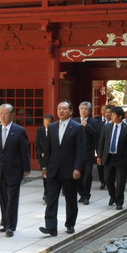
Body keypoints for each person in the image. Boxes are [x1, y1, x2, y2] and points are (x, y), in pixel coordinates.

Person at [0, 103, 30, 237]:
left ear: (12, 115)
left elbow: (25, 151)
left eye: (5, 114)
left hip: (14, 170)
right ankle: (5, 222)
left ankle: (11, 226)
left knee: (12, 199)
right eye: (1, 114)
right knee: (3, 198)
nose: (2, 116)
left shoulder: (19, 131)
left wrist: (26, 168)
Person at [39, 100, 85, 236]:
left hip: (70, 169)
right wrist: (44, 166)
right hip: (53, 169)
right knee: (51, 198)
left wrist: (77, 168)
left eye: (64, 109)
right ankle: (51, 226)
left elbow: (80, 150)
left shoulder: (77, 127)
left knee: (70, 199)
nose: (61, 111)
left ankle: (70, 224)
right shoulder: (52, 127)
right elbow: (48, 149)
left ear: (70, 111)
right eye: (59, 109)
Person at [97, 106, 127, 210]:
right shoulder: (106, 127)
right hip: (108, 157)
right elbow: (102, 142)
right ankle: (113, 196)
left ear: (120, 117)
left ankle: (119, 201)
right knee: (107, 179)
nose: (110, 116)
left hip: (121, 158)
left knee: (120, 181)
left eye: (113, 114)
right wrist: (99, 156)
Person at [73, 101, 99, 205]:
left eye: (86, 109)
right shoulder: (74, 121)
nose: (83, 111)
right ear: (79, 110)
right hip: (76, 154)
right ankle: (82, 194)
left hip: (88, 153)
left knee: (87, 175)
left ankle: (86, 196)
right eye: (81, 109)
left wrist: (87, 126)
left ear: (89, 111)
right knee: (77, 175)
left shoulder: (94, 122)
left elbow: (97, 135)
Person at [36, 113, 54, 204]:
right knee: (45, 176)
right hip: (43, 158)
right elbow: (37, 145)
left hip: (52, 158)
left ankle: (49, 194)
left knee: (51, 177)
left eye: (48, 123)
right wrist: (41, 153)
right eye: (45, 123)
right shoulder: (40, 130)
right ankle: (46, 193)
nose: (46, 125)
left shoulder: (54, 130)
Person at [95, 105, 113, 190]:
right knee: (100, 166)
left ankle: (110, 181)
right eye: (106, 112)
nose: (108, 114)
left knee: (109, 167)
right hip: (101, 149)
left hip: (111, 149)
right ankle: (102, 182)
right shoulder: (101, 124)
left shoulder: (114, 125)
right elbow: (97, 136)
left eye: (110, 112)